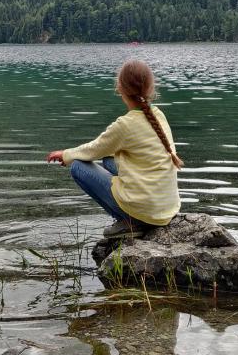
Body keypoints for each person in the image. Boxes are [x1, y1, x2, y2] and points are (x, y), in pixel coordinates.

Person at [47, 59, 183, 238]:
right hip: (166, 208)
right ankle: (137, 214)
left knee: (78, 166)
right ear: (151, 88)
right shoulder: (159, 115)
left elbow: (92, 150)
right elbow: (104, 151)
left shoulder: (125, 125)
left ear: (120, 88)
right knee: (109, 158)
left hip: (146, 212)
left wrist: (65, 155)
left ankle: (131, 221)